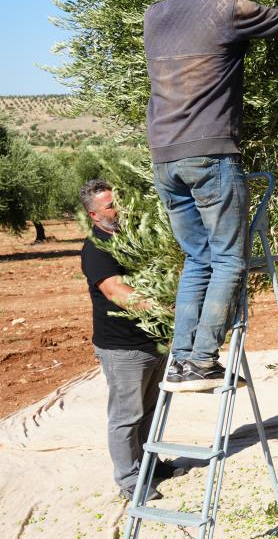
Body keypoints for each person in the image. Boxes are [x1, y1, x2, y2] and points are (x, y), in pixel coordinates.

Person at [144, 0, 278, 391]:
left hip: (166, 160)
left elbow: (214, 13)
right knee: (229, 260)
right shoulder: (224, 11)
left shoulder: (155, 17)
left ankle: (183, 359)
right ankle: (203, 361)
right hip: (211, 157)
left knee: (196, 259)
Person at [80, 179, 182, 500]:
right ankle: (128, 480)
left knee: (150, 409)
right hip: (122, 348)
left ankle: (149, 463)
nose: (118, 208)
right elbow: (114, 290)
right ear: (94, 215)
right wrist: (161, 305)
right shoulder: (96, 248)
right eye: (110, 205)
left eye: (117, 201)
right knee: (126, 417)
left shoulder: (132, 240)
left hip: (152, 341)